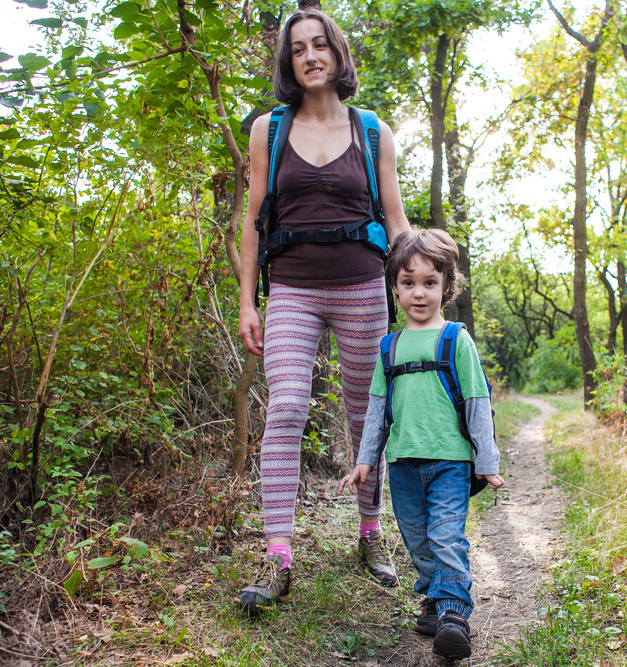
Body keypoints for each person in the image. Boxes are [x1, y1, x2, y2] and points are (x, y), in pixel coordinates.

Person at [236, 8, 412, 613]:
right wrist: (247, 301)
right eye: (297, 49)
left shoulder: (371, 131)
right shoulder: (269, 130)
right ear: (287, 62)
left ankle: (370, 532)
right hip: (291, 289)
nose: (309, 56)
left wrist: (417, 290)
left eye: (319, 45)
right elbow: (254, 223)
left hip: (363, 286)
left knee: (366, 415)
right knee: (285, 407)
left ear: (337, 54)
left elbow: (396, 221)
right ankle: (278, 555)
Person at [339, 228, 505, 660]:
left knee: (446, 536)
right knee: (418, 540)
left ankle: (453, 613)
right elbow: (377, 410)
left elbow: (476, 401)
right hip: (402, 466)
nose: (418, 293)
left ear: (446, 288)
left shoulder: (456, 339)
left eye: (429, 283)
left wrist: (486, 460)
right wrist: (365, 461)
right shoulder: (388, 347)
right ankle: (435, 597)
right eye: (408, 283)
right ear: (394, 287)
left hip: (450, 462)